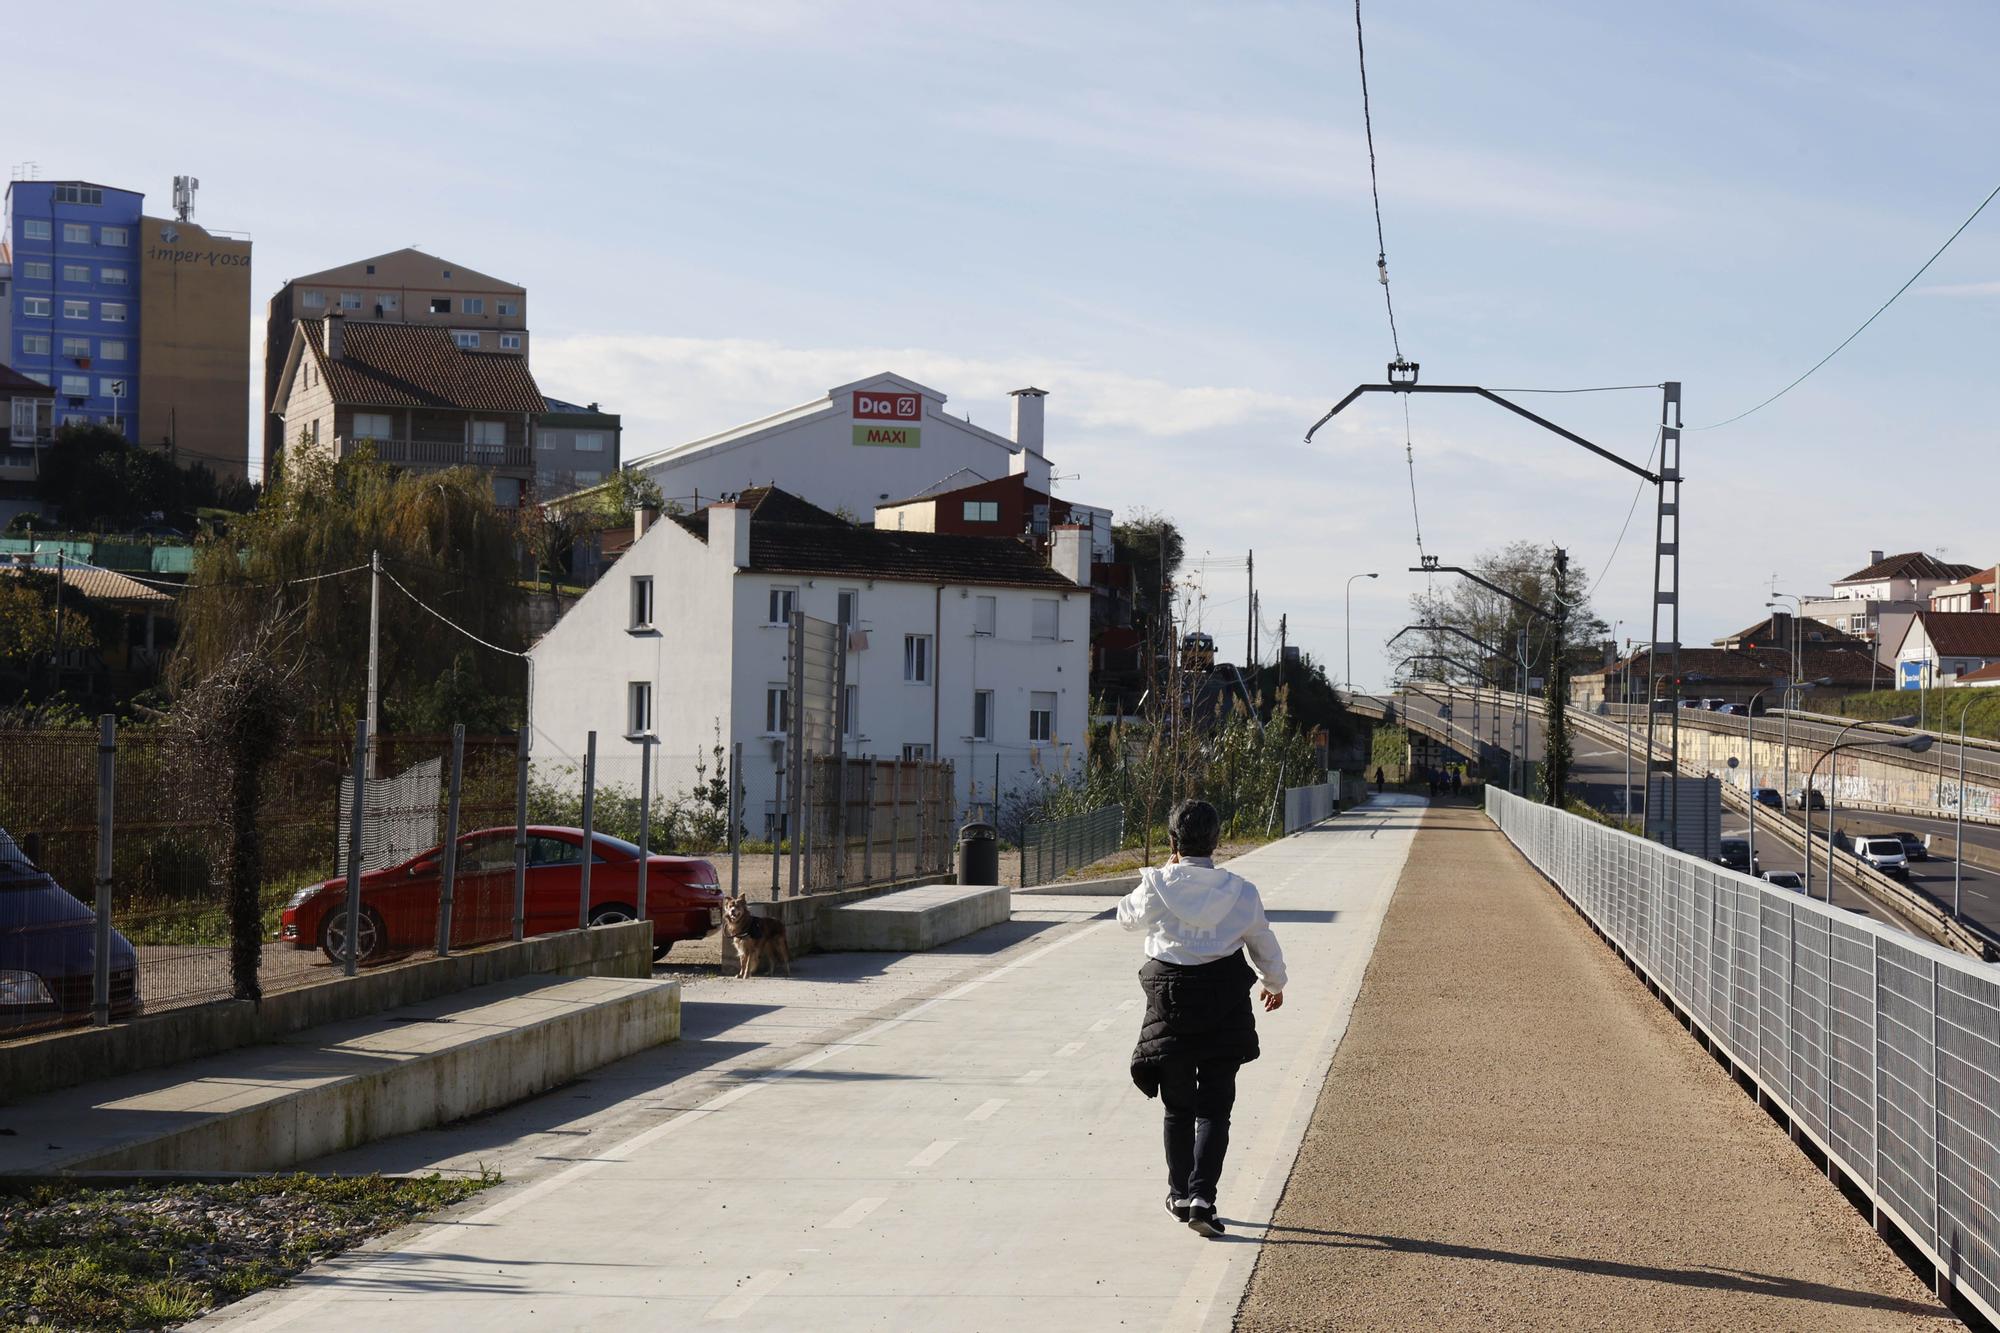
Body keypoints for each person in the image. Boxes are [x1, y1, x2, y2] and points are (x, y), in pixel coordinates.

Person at [1118, 799, 1286, 1238]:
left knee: (1178, 1107)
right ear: (1217, 841)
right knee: (1215, 1107)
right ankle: (1202, 1198)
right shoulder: (1241, 891)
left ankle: (1177, 1194)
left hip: (1168, 1003)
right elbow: (1261, 940)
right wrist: (1274, 981)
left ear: (1173, 841)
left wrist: (1160, 873)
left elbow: (1126, 919)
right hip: (1223, 1003)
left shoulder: (1157, 886)